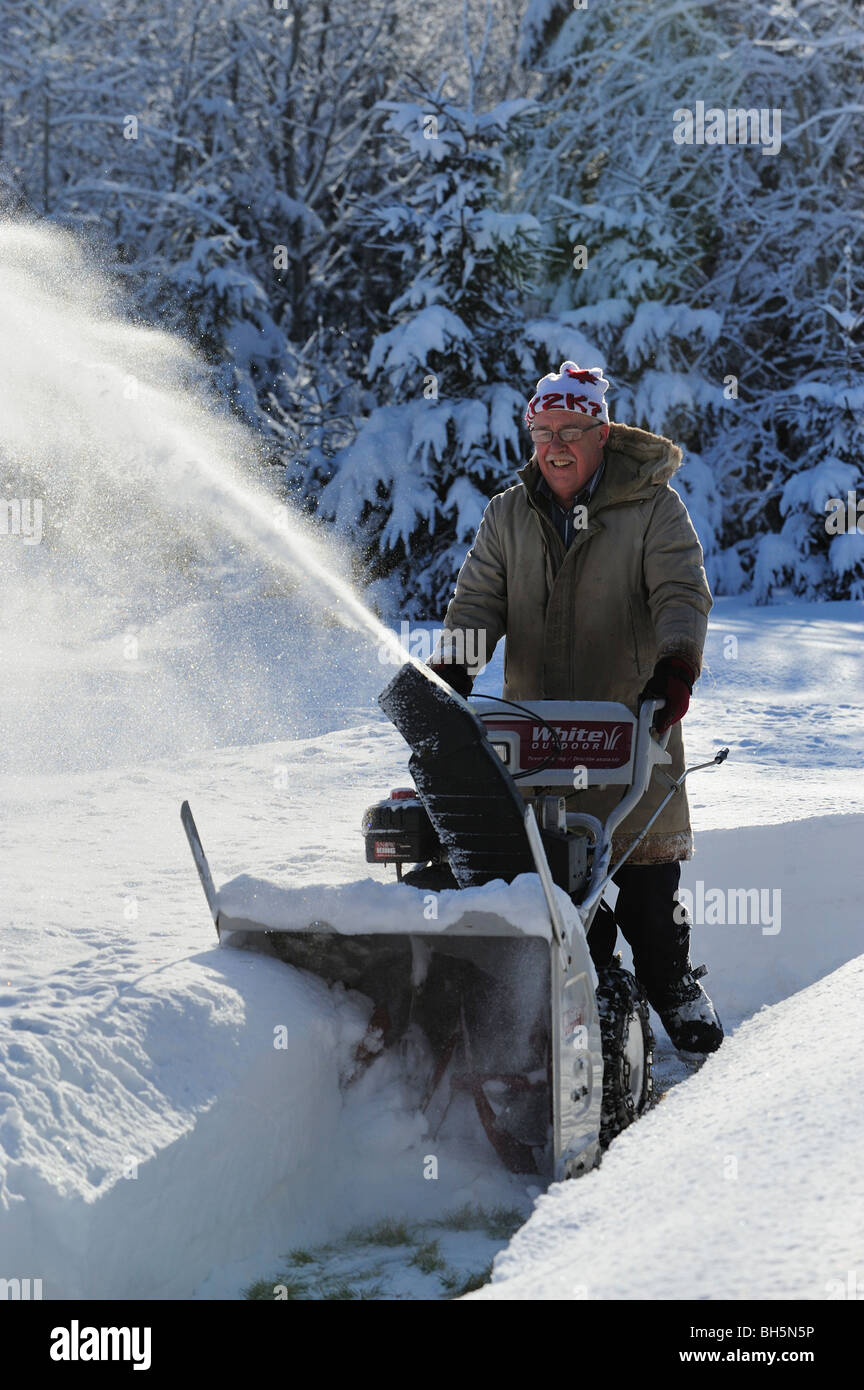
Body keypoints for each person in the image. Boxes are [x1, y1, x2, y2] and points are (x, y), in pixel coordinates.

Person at [429, 361, 723, 1060]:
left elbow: (682, 595)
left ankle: (676, 995)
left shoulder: (653, 508)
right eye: (541, 432)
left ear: (602, 432)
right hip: (538, 751)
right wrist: (451, 672)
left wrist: (675, 670)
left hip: (633, 740)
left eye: (569, 430)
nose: (554, 446)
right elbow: (477, 605)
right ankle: (598, 1026)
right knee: (563, 911)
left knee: (649, 907)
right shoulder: (509, 514)